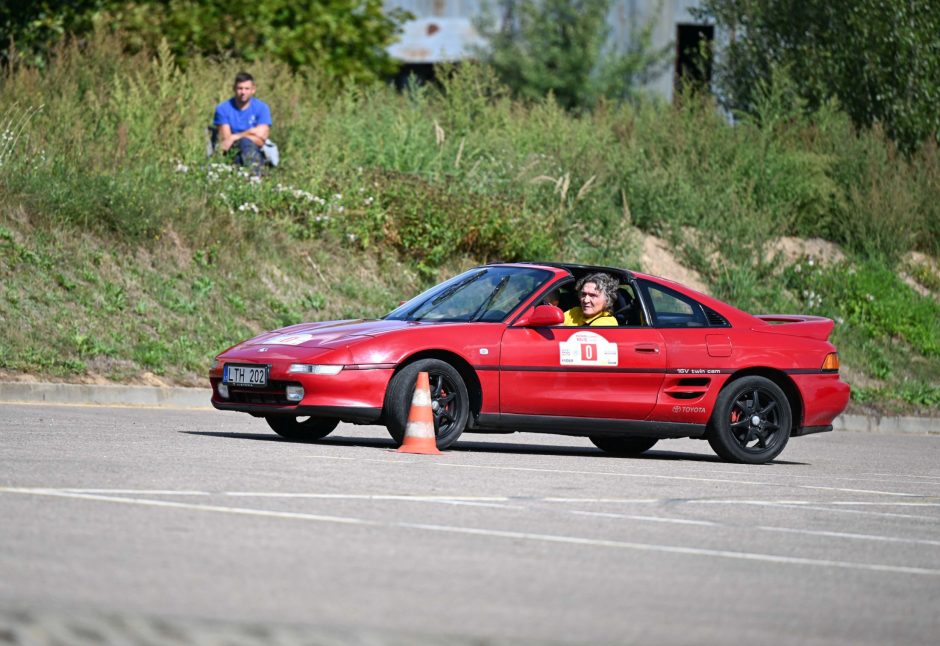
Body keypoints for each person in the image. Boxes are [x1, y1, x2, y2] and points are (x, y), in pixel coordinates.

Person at [212, 72, 272, 174]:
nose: (243, 92)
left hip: (255, 150)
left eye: (247, 88)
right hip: (233, 151)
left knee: (245, 144)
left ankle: (253, 177)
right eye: (240, 88)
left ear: (253, 90)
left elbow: (261, 139)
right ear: (234, 89)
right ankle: (255, 178)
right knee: (243, 146)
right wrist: (252, 132)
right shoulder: (223, 108)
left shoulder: (262, 108)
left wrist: (235, 136)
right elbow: (227, 140)